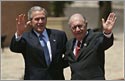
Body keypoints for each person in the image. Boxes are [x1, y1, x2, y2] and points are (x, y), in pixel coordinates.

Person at [10, 6, 68, 80]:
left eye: (43, 18)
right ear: (30, 22)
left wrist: (58, 66)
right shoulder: (25, 38)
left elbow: (69, 55)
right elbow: (14, 48)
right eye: (37, 19)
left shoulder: (59, 35)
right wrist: (19, 33)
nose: (40, 22)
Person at [64, 12, 116, 80]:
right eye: (74, 27)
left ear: (86, 24)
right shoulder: (69, 44)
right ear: (70, 29)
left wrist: (107, 32)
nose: (77, 29)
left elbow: (106, 43)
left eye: (80, 26)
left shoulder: (96, 38)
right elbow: (65, 61)